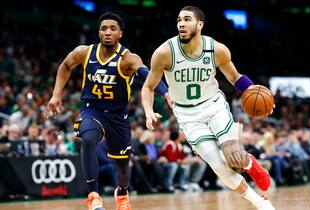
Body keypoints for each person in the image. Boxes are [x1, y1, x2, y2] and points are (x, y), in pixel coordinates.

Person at [142, 6, 275, 210]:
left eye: (187, 19)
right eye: (179, 20)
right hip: (187, 115)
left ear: (200, 24)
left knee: (232, 155)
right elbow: (148, 87)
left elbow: (235, 78)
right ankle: (258, 201)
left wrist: (261, 94)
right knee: (220, 168)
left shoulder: (216, 49)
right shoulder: (164, 52)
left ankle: (249, 164)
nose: (181, 24)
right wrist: (148, 110)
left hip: (214, 106)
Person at [45, 12, 169, 210]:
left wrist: (166, 93)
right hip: (91, 110)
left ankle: (122, 192)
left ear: (120, 33)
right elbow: (66, 65)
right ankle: (93, 196)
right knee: (88, 138)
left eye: (113, 29)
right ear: (98, 32)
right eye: (104, 29)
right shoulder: (85, 52)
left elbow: (148, 75)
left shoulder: (128, 58)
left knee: (122, 169)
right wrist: (56, 94)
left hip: (118, 117)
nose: (108, 32)